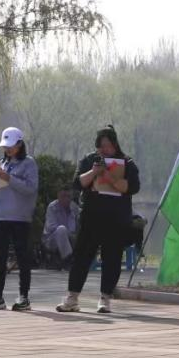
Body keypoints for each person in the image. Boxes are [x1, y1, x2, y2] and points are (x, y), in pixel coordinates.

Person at [57, 126, 139, 314]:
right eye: (101, 146)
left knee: (112, 258)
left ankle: (105, 298)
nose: (105, 150)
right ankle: (72, 297)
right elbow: (78, 183)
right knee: (82, 257)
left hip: (116, 219)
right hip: (91, 217)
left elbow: (132, 187)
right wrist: (94, 172)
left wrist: (110, 178)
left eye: (108, 146)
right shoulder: (89, 160)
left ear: (115, 145)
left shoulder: (127, 163)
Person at [0, 127, 38, 311]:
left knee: (22, 257)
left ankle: (24, 297)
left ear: (20, 144)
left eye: (11, 145)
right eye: (5, 146)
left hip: (20, 217)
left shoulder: (29, 163)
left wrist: (9, 179)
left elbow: (30, 188)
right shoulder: (1, 163)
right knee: (0, 257)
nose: (7, 149)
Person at [42, 188, 79, 267]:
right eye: (63, 196)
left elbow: (74, 228)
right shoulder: (52, 207)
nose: (66, 199)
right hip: (51, 239)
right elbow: (51, 227)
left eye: (68, 196)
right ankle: (68, 259)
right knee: (61, 229)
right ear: (58, 196)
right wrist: (67, 233)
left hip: (70, 238)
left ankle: (76, 260)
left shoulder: (74, 207)